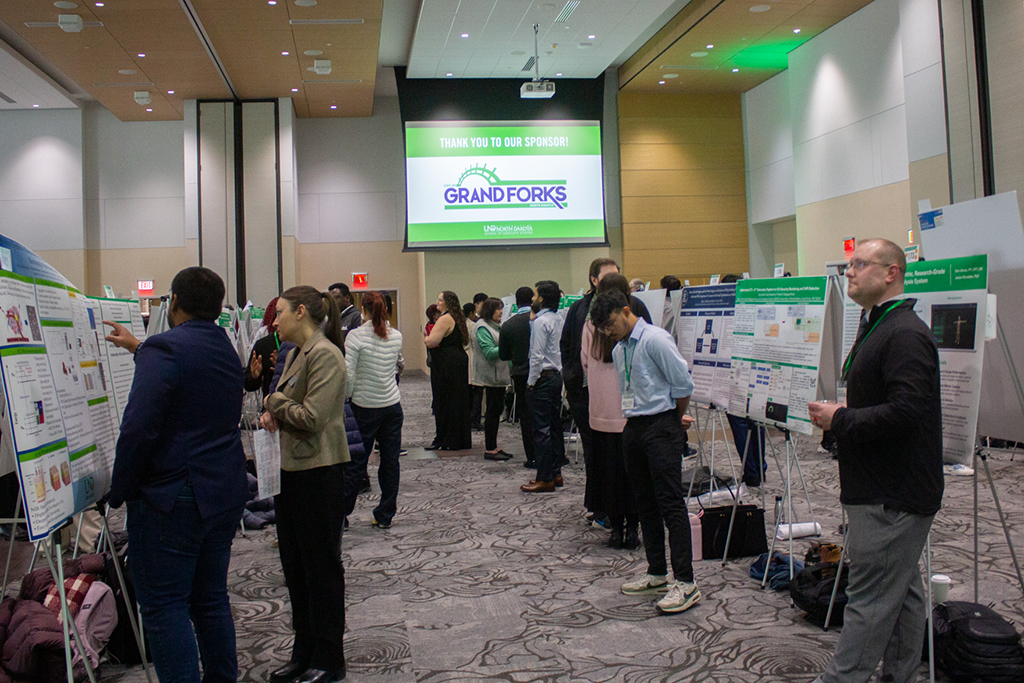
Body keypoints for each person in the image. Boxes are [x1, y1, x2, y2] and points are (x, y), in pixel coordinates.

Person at [104, 266, 249, 683]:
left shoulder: (164, 351)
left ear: (174, 303)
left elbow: (137, 429)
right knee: (209, 600)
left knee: (165, 606)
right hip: (223, 491)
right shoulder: (224, 346)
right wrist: (140, 348)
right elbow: (191, 376)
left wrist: (120, 490)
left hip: (175, 498)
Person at [807, 238, 942, 683]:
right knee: (902, 593)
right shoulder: (878, 324)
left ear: (891, 273)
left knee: (868, 600)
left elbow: (908, 412)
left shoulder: (904, 333)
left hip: (892, 494)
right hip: (880, 485)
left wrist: (841, 418)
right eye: (848, 265)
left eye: (859, 264)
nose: (849, 272)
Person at [590, 290, 700, 614]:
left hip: (661, 425)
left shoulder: (655, 340)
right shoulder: (621, 347)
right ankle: (656, 573)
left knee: (670, 504)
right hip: (634, 427)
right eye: (604, 330)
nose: (609, 333)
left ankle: (686, 582)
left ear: (626, 311)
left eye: (611, 325)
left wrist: (674, 420)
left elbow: (683, 386)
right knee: (644, 503)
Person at [260, 286, 349, 683]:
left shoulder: (326, 355)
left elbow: (312, 417)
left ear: (300, 312)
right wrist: (275, 411)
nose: (273, 321)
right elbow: (290, 404)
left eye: (279, 313)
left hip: (319, 472)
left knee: (320, 569)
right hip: (293, 470)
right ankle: (304, 651)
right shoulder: (297, 353)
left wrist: (274, 405)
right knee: (295, 567)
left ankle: (329, 658)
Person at [560, 259, 652, 517]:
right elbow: (570, 348)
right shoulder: (582, 311)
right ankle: (605, 509)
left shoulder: (634, 313)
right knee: (603, 460)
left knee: (611, 461)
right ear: (594, 281)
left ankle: (609, 513)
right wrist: (573, 381)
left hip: (608, 404)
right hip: (597, 400)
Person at [581, 274, 640, 550]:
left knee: (609, 473)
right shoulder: (634, 324)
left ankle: (616, 529)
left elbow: (583, 362)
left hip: (601, 411)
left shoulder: (590, 326)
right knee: (634, 474)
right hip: (629, 412)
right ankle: (633, 529)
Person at [343, 291, 404, 528]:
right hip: (391, 406)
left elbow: (349, 375)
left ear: (362, 309)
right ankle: (385, 514)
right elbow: (397, 366)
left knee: (356, 463)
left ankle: (342, 513)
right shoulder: (396, 335)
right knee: (390, 462)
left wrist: (348, 398)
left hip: (364, 407)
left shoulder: (355, 337)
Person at [720, 274, 767, 486]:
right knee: (757, 422)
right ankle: (760, 469)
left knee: (740, 425)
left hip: (735, 377)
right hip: (758, 375)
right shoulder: (757, 310)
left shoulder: (727, 315)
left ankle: (751, 473)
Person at [521, 280, 565, 493]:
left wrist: (530, 383)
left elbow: (536, 356)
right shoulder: (558, 318)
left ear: (542, 298)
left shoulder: (540, 322)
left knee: (541, 430)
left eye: (535, 295)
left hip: (542, 379)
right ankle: (556, 473)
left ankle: (544, 477)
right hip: (556, 376)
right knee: (554, 427)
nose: (532, 298)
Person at [424, 291, 473, 450]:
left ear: (447, 303)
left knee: (443, 401)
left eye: (440, 300)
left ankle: (445, 439)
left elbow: (432, 342)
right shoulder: (458, 318)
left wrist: (426, 336)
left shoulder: (444, 319)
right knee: (458, 400)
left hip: (446, 363)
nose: (437, 302)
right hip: (458, 360)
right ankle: (459, 438)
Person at [499, 286, 536, 467]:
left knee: (526, 416)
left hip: (520, 375)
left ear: (516, 302)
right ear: (533, 300)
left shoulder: (509, 325)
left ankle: (532, 456)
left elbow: (504, 355)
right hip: (544, 373)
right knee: (546, 413)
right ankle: (555, 454)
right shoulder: (541, 320)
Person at [471, 298, 512, 461]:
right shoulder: (482, 327)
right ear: (489, 311)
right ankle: (489, 449)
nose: (501, 312)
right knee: (492, 412)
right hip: (491, 376)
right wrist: (509, 346)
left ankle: (493, 446)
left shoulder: (496, 327)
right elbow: (489, 352)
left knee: (496, 411)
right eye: (497, 309)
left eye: (501, 309)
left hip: (498, 375)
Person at [246, 296, 280, 399]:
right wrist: (254, 377)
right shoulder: (264, 344)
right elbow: (248, 384)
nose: (275, 323)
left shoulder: (302, 345)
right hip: (267, 409)